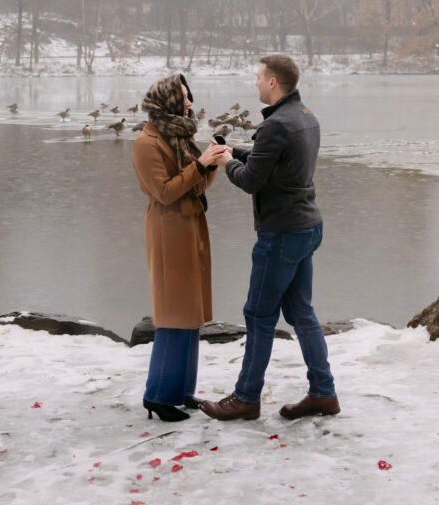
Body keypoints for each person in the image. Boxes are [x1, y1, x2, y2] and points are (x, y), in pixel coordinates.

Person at [200, 54, 339, 421]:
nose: (257, 84)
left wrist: (223, 163)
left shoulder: (276, 125)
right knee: (300, 312)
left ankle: (246, 398)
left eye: (259, 78)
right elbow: (271, 161)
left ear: (274, 82)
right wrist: (234, 151)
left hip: (281, 233)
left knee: (259, 315)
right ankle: (323, 393)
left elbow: (250, 180)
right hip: (307, 227)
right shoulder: (306, 117)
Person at [133, 73, 221, 422]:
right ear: (166, 101)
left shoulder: (179, 135)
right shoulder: (147, 143)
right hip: (168, 230)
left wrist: (210, 161)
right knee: (173, 315)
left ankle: (182, 391)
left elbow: (196, 185)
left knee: (190, 314)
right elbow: (165, 192)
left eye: (188, 96)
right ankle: (158, 395)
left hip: (189, 225)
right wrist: (201, 164)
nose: (189, 102)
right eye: (183, 97)